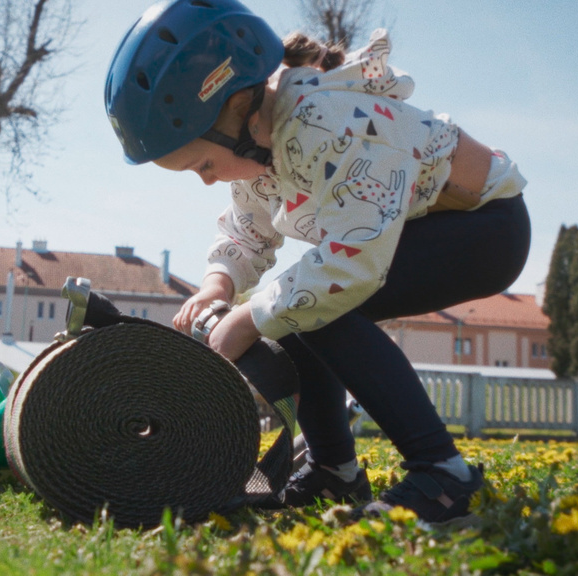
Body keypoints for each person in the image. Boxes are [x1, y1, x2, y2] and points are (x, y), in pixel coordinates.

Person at [105, 0, 530, 528]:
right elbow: (247, 229)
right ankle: (335, 469)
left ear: (238, 106)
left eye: (203, 164)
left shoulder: (326, 125)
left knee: (316, 302)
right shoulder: (257, 141)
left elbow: (347, 268)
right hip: (416, 226)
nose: (207, 180)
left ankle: (447, 478)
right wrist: (220, 284)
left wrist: (246, 317)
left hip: (486, 226)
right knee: (298, 307)